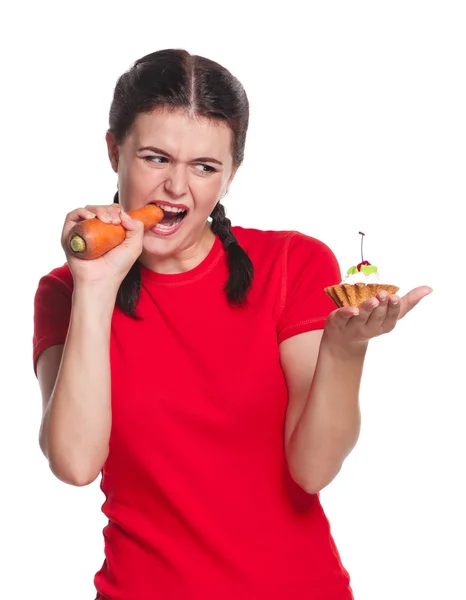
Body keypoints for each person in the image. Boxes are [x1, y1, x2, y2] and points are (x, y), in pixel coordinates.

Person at [32, 48, 432, 600]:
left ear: (231, 175)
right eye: (154, 157)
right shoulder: (65, 291)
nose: (177, 188)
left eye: (204, 167)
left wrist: (344, 352)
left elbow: (312, 471)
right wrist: (97, 288)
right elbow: (74, 464)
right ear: (113, 149)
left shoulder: (294, 263)